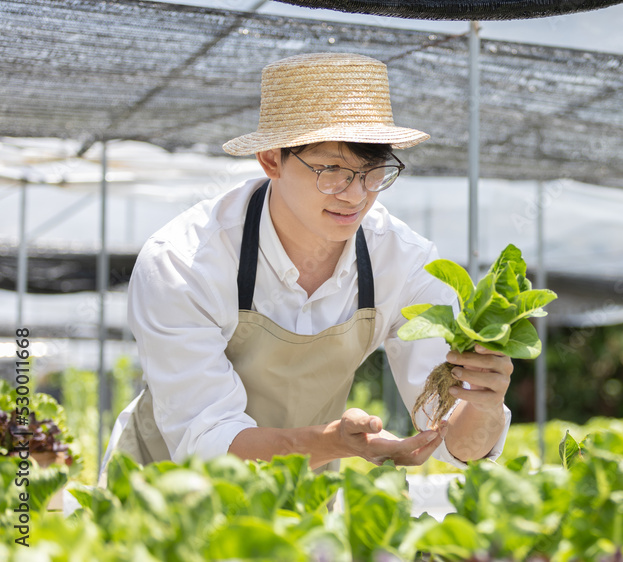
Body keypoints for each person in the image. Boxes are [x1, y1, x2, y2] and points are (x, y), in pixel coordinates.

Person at [99, 53, 512, 479]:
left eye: (372, 172)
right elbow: (208, 442)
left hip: (299, 491)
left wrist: (484, 403)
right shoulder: (183, 262)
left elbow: (452, 438)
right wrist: (332, 444)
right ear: (270, 159)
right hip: (163, 492)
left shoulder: (404, 263)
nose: (355, 196)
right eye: (331, 170)